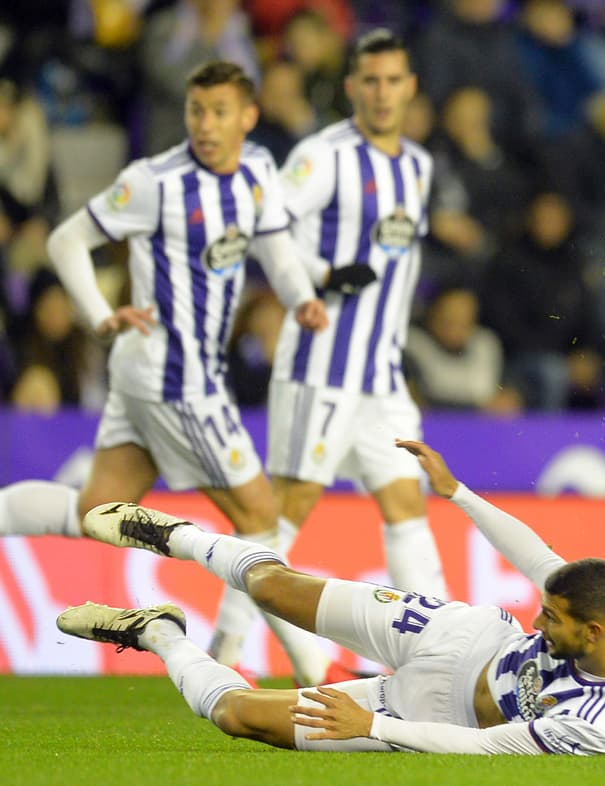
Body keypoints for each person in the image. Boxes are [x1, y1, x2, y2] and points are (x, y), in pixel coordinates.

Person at [0, 61, 340, 685]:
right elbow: (65, 241)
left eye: (218, 113)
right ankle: (310, 672)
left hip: (163, 375)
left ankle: (238, 657)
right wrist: (101, 314)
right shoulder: (155, 182)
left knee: (98, 509)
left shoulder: (259, 172)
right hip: (171, 376)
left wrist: (300, 300)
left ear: (247, 117)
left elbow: (278, 254)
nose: (205, 126)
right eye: (195, 112)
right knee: (261, 517)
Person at [57, 440, 605, 756]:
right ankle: (173, 535)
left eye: (552, 619)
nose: (539, 619)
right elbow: (535, 554)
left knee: (238, 717)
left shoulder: (600, 726)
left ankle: (157, 632)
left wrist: (374, 725)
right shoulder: (604, 601)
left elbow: (479, 746)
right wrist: (458, 492)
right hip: (461, 636)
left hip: (429, 715)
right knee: (275, 588)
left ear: (594, 633)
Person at [222, 30, 448, 671]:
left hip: (380, 374)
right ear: (351, 87)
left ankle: (435, 654)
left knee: (407, 503)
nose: (382, 93)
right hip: (321, 364)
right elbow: (266, 223)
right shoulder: (325, 156)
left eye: (393, 81)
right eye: (369, 81)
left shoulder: (418, 166)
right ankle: (227, 647)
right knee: (286, 511)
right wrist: (320, 273)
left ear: (410, 88)